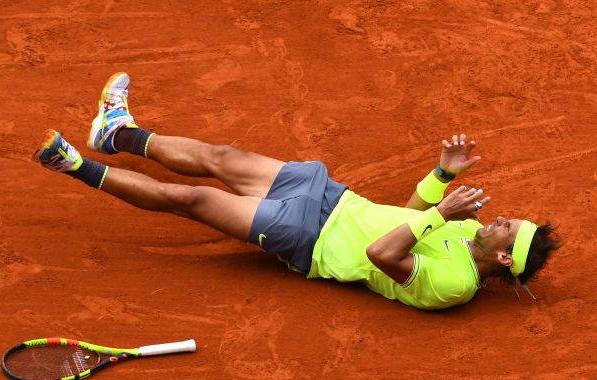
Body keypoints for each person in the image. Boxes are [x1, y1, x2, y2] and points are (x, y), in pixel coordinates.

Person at [33, 72, 561, 310]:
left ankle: (73, 165)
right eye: (506, 220)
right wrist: (441, 178)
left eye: (505, 230)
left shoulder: (454, 285)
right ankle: (118, 131)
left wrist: (441, 212)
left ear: (505, 262)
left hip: (308, 236)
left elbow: (382, 253)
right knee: (221, 157)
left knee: (191, 200)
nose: (497, 221)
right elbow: (402, 215)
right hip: (332, 195)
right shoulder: (467, 229)